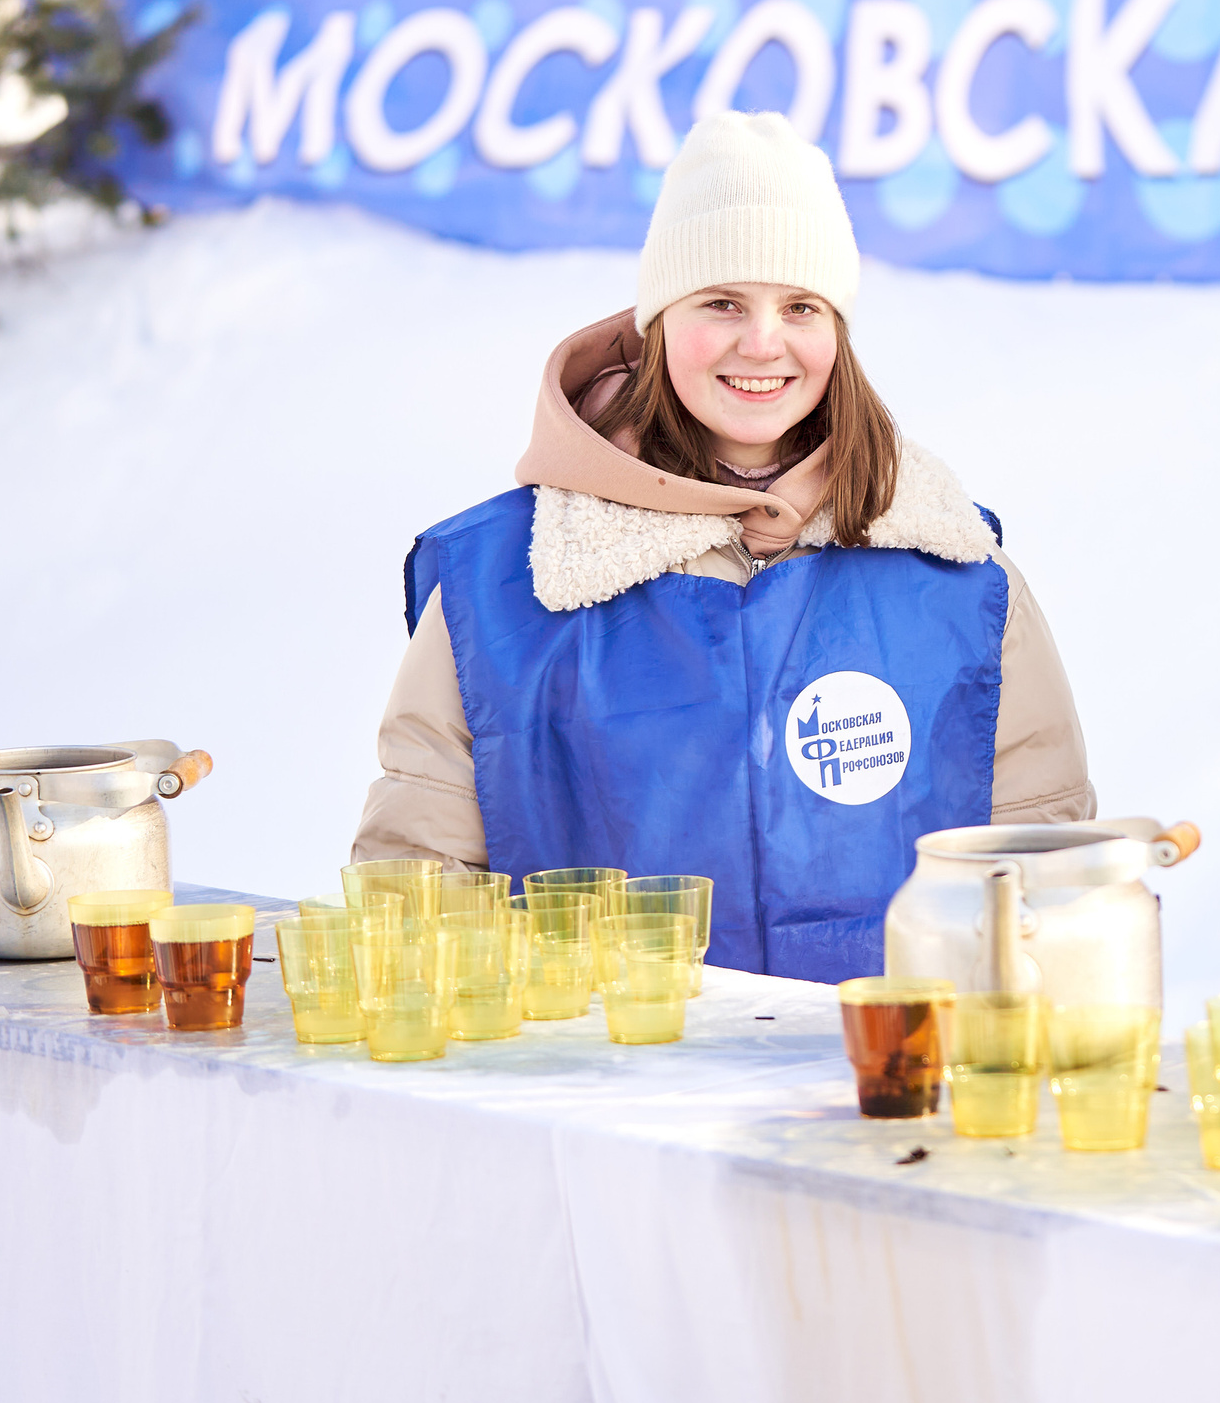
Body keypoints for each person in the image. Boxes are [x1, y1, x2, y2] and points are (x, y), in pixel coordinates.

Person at [355, 111, 1096, 982]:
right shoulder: (506, 583)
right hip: (601, 1100)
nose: (763, 342)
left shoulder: (959, 574)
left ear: (839, 331)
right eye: (722, 302)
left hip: (881, 1099)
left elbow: (1051, 881)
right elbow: (415, 898)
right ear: (661, 319)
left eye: (800, 306)